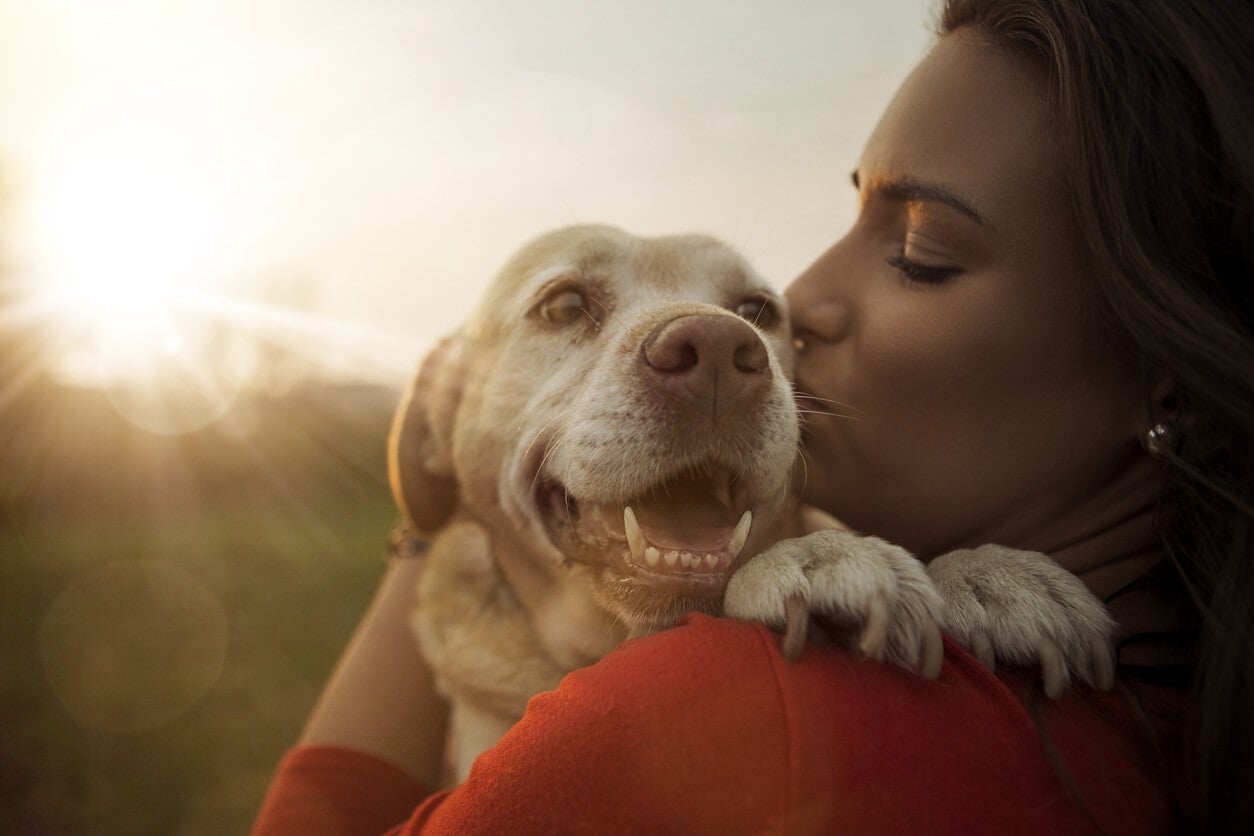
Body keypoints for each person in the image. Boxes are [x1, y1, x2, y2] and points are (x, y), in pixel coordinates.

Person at [253, 0, 1254, 832]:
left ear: (1170, 368)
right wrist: (452, 484)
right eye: (567, 307)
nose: (788, 311)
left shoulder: (743, 719)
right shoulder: (1186, 703)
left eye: (922, 253)